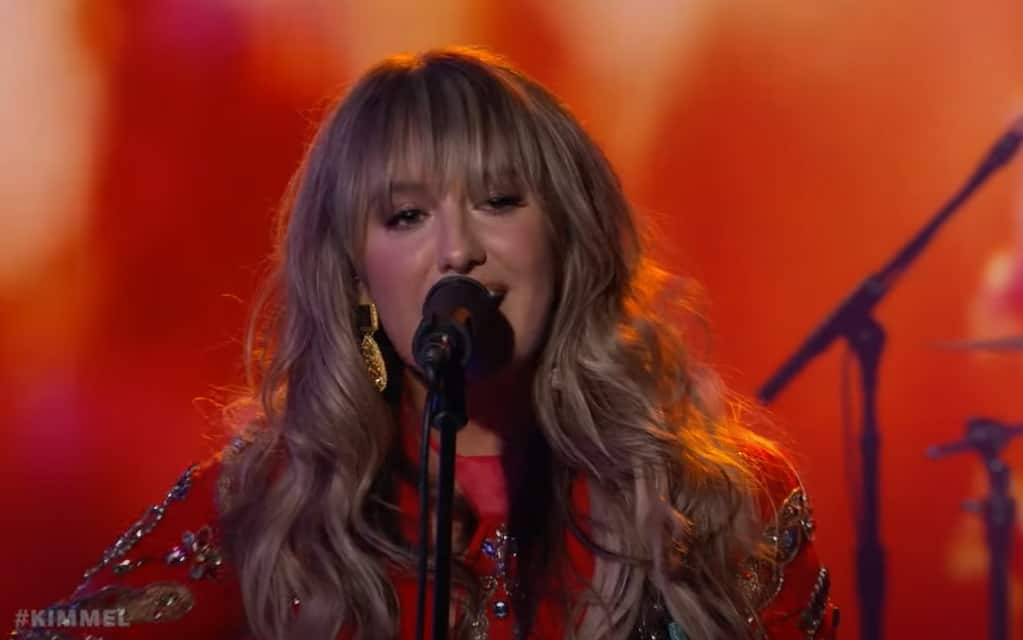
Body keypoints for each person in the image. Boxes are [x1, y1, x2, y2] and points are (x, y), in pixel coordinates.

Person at [14, 47, 838, 640]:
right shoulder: (267, 503)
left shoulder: (718, 499)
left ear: (569, 239)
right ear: (354, 273)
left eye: (497, 201)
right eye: (406, 216)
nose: (456, 250)